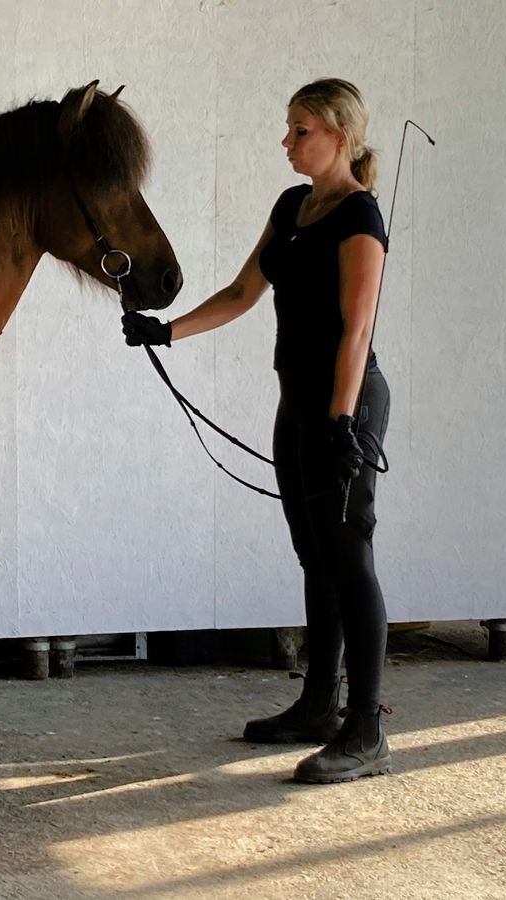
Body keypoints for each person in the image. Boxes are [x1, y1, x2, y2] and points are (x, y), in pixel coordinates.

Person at [124, 78, 392, 783]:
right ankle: (318, 705)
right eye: (288, 128)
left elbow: (358, 329)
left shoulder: (360, 216)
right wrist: (166, 331)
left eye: (301, 130)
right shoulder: (292, 207)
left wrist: (342, 422)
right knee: (315, 555)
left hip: (345, 406)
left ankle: (367, 729)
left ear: (340, 134)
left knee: (349, 557)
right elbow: (245, 292)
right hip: (297, 402)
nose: (287, 142)